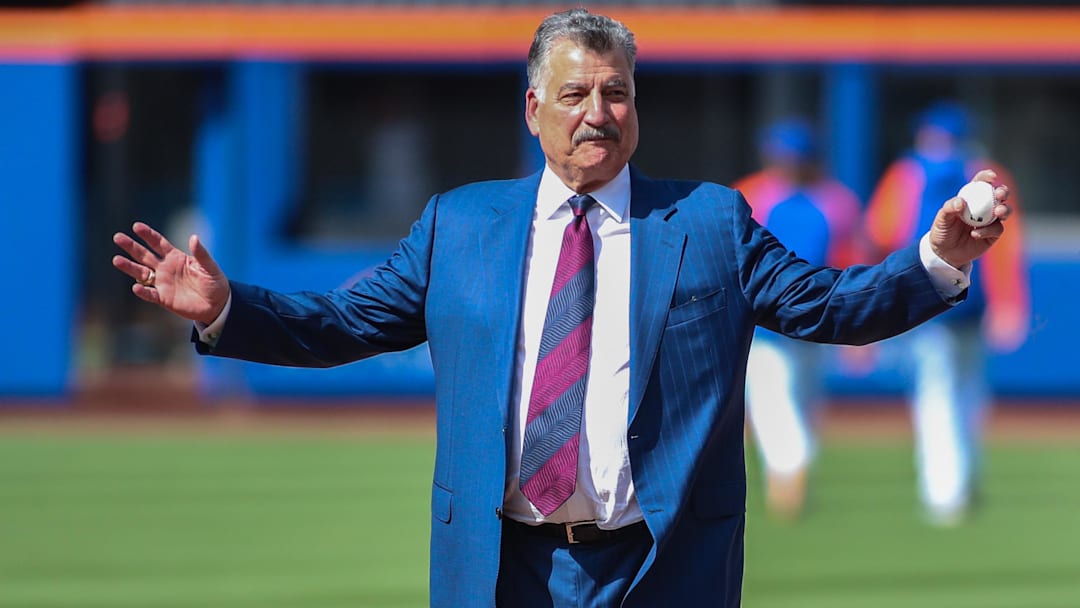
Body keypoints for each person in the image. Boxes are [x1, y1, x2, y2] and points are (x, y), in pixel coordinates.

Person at [112, 10, 1013, 607]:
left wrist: (937, 260)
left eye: (617, 93)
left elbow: (830, 306)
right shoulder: (460, 225)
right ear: (534, 106)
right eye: (577, 94)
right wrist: (229, 307)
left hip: (661, 567)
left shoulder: (707, 221)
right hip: (503, 568)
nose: (598, 113)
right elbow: (346, 324)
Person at [864, 101, 1030, 526]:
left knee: (937, 396)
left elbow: (880, 237)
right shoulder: (987, 173)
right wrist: (1010, 303)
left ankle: (946, 492)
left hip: (928, 299)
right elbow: (1006, 246)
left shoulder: (906, 174)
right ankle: (960, 482)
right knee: (967, 395)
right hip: (973, 302)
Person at [732, 118, 864, 520]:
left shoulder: (763, 195)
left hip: (792, 319)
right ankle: (790, 473)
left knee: (783, 401)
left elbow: (851, 261)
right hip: (798, 318)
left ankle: (790, 471)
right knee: (789, 399)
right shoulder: (827, 199)